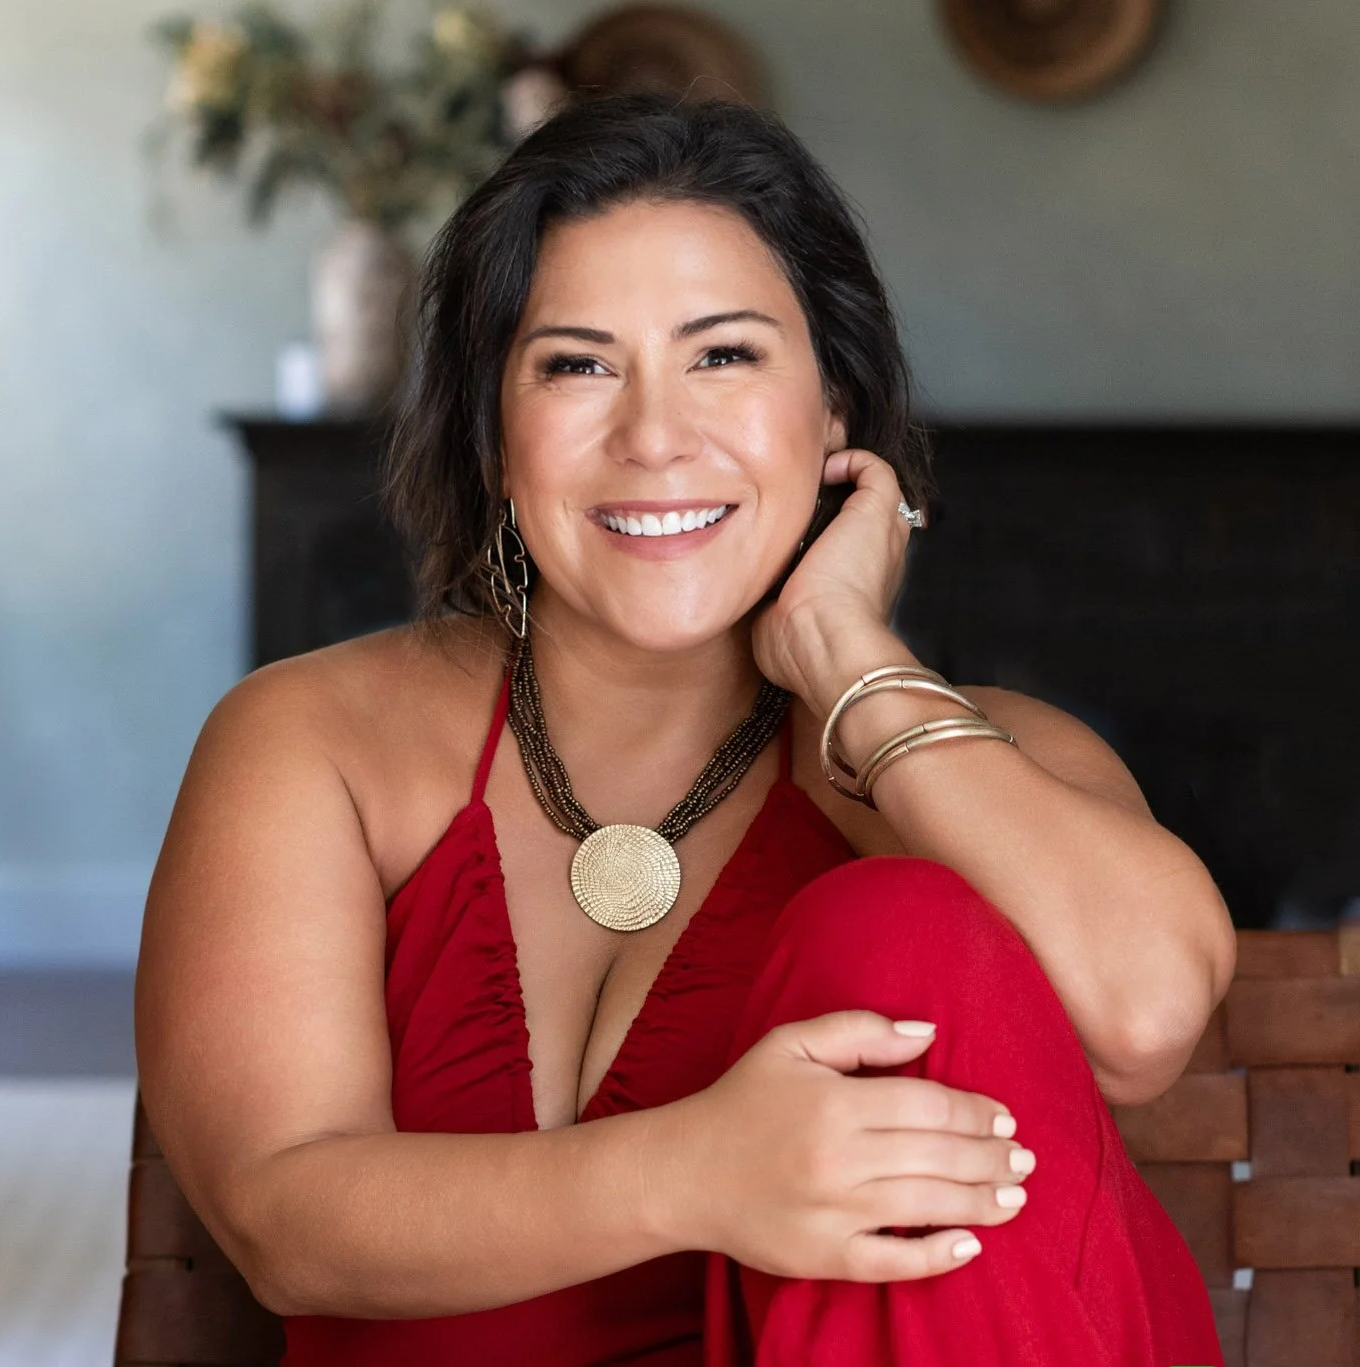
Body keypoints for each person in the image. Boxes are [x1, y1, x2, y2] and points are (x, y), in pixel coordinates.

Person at [136, 92, 1236, 1365]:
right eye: (576, 363)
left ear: (833, 411)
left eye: (723, 355)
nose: (654, 436)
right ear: (495, 431)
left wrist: (845, 652)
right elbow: (284, 1221)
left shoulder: (973, 763)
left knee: (905, 925)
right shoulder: (308, 742)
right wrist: (696, 1171)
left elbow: (1146, 1017)